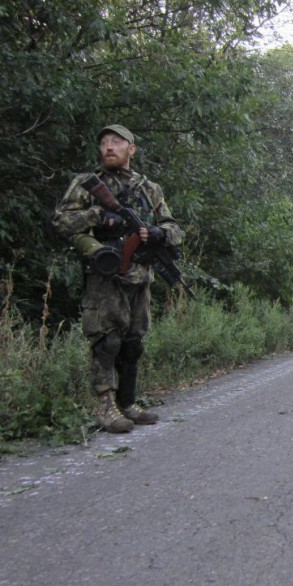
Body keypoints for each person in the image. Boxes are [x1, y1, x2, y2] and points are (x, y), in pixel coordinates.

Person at [52, 124, 183, 433]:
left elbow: (175, 229)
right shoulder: (87, 184)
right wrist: (97, 215)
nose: (108, 147)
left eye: (116, 142)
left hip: (140, 275)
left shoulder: (149, 188)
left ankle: (128, 402)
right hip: (106, 273)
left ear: (131, 149)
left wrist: (156, 232)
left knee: (133, 343)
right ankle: (105, 407)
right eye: (104, 143)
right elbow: (60, 221)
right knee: (106, 340)